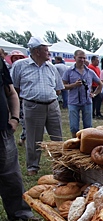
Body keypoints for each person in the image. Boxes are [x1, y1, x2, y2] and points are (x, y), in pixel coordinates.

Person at [11, 36, 64, 176]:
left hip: (52, 105)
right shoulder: (20, 66)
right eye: (46, 49)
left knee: (57, 136)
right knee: (34, 138)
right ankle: (32, 167)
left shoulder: (51, 67)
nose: (49, 52)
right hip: (33, 106)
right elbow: (14, 88)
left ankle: (61, 165)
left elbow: (58, 89)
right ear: (37, 51)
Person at [0, 53, 35, 221]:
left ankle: (20, 213)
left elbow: (11, 92)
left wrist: (14, 117)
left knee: (11, 174)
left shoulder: (0, 64)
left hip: (2, 130)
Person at [62, 49, 103, 136]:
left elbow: (100, 84)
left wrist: (94, 94)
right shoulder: (69, 71)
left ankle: (86, 144)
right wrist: (74, 85)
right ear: (75, 58)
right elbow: (63, 86)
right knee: (74, 127)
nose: (82, 60)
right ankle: (75, 143)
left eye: (84, 58)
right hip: (73, 101)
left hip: (87, 102)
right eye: (80, 58)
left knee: (88, 127)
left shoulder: (90, 72)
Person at [8, 50, 27, 146]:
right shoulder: (8, 69)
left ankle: (23, 138)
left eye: (20, 58)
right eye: (15, 58)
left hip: (22, 99)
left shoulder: (25, 68)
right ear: (11, 59)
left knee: (25, 122)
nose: (18, 60)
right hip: (10, 99)